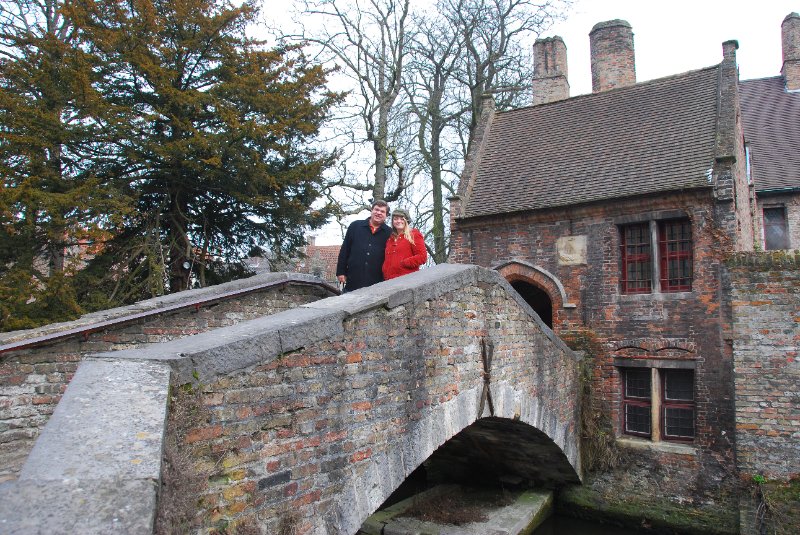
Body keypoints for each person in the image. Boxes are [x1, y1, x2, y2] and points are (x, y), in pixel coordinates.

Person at [336, 200, 392, 292]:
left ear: (386, 215)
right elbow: (345, 249)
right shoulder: (355, 226)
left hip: (377, 281)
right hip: (353, 278)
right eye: (376, 209)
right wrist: (341, 271)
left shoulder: (389, 233)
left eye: (382, 211)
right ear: (371, 210)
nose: (378, 213)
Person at [382, 208, 427, 280]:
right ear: (393, 221)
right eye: (396, 219)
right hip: (389, 281)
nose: (398, 221)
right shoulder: (390, 240)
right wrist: (384, 268)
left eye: (402, 219)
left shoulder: (414, 234)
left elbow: (422, 257)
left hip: (407, 280)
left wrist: (404, 263)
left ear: (406, 221)